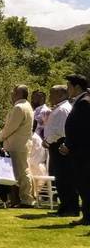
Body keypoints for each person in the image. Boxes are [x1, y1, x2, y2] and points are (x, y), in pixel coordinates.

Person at [0, 85, 35, 207]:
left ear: (18, 94)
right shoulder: (27, 106)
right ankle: (20, 199)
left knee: (22, 172)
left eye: (13, 92)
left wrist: (1, 135)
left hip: (17, 145)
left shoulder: (19, 107)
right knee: (21, 171)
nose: (11, 95)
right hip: (21, 144)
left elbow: (10, 127)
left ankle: (26, 199)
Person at [43, 85, 76, 216]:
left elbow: (61, 131)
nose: (50, 96)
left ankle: (69, 208)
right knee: (60, 178)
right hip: (55, 144)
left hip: (59, 145)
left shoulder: (63, 109)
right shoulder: (59, 108)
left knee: (64, 178)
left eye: (52, 94)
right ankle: (65, 206)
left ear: (62, 94)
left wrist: (49, 140)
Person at [62, 73, 90, 225]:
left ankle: (88, 217)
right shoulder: (81, 101)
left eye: (69, 86)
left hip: (83, 152)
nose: (68, 89)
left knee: (85, 185)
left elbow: (82, 130)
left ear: (77, 87)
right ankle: (87, 216)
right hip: (79, 151)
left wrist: (69, 145)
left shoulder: (84, 103)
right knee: (83, 185)